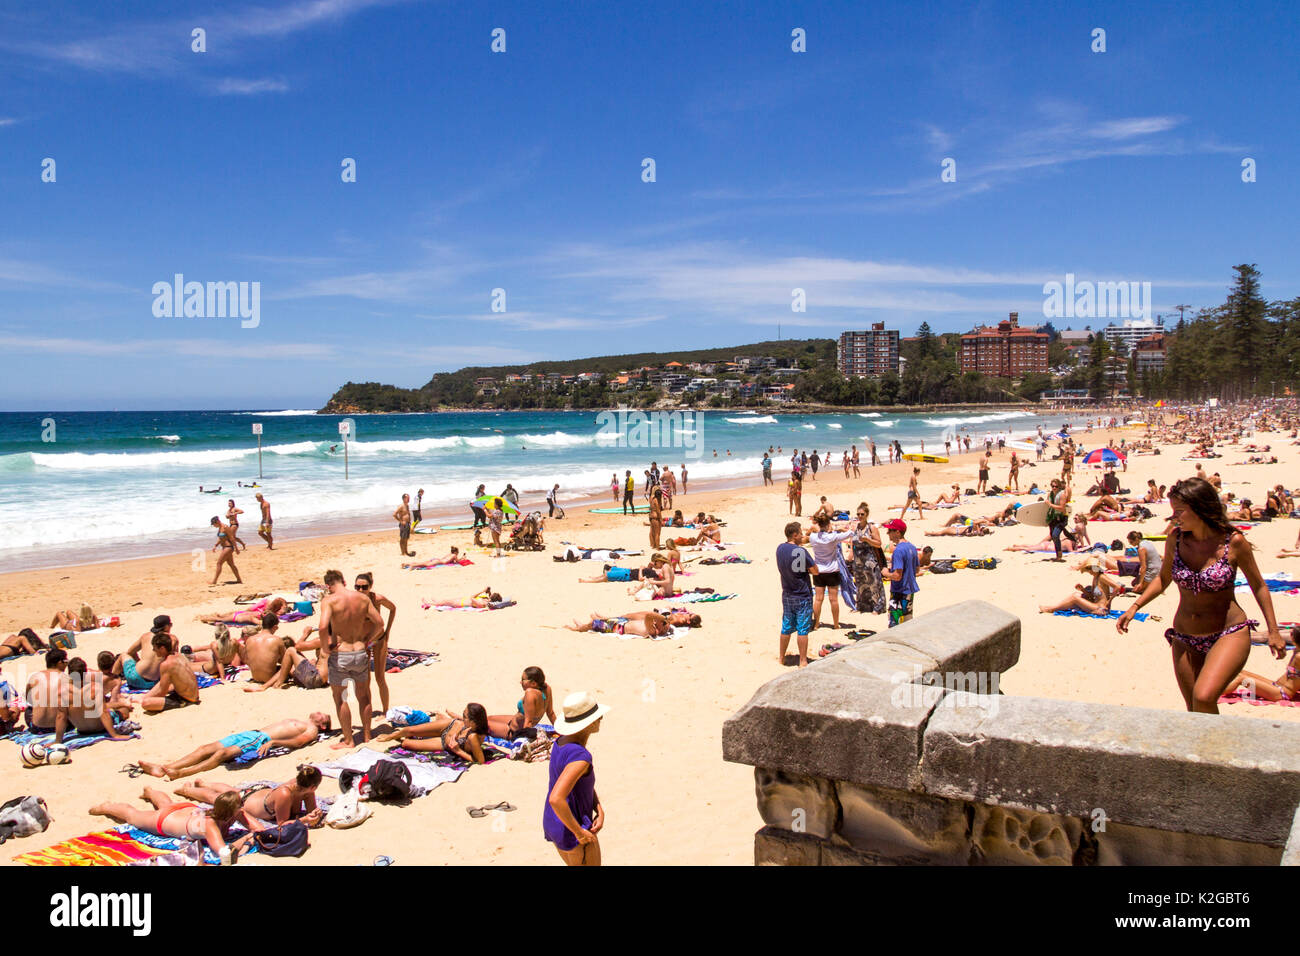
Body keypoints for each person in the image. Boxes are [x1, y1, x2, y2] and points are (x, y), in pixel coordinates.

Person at [1117, 477, 1286, 714]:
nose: (1174, 517)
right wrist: (1134, 607)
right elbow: (1164, 579)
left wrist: (1274, 631)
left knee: (1203, 696)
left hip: (1228, 633)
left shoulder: (1234, 542)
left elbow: (1259, 585)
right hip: (1184, 637)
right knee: (1195, 711)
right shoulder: (1176, 539)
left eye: (1179, 511)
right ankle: (1218, 751)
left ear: (1200, 508)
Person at [135, 713, 331, 780]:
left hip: (260, 740)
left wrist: (274, 742)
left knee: (222, 754)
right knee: (205, 748)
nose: (321, 713)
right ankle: (166, 767)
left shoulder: (312, 729)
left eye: (325, 717)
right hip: (251, 733)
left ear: (322, 725)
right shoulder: (303, 720)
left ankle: (183, 773)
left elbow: (298, 742)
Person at [91, 788, 260, 861]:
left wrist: (252, 832)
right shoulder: (210, 825)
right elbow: (224, 854)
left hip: (187, 813)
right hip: (165, 820)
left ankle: (150, 792)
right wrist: (247, 838)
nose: (243, 806)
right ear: (232, 809)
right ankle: (105, 807)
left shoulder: (234, 813)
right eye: (241, 805)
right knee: (133, 816)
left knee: (167, 804)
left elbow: (259, 829)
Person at [319, 568, 384, 749]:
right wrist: (368, 639)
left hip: (342, 654)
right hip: (360, 651)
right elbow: (379, 622)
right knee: (363, 695)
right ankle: (366, 735)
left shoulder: (329, 600)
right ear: (345, 582)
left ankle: (348, 740)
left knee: (340, 697)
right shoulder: (362, 598)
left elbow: (323, 627)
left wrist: (325, 648)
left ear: (328, 586)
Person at [543, 691, 608, 866]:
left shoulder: (560, 742)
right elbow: (556, 798)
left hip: (555, 824)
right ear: (588, 723)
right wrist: (579, 832)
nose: (601, 718)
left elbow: (578, 784)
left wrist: (599, 808)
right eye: (597, 716)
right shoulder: (581, 757)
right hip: (572, 829)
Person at [176, 765, 325, 828]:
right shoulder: (285, 794)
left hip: (259, 793)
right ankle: (186, 791)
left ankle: (204, 783)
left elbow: (312, 811)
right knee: (218, 798)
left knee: (234, 790)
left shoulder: (306, 789)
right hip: (249, 802)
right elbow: (281, 824)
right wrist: (305, 819)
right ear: (313, 786)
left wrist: (314, 814)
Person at [376, 704, 489, 763]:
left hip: (444, 743)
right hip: (449, 725)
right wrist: (457, 717)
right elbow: (462, 721)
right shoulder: (471, 724)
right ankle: (390, 737)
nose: (463, 717)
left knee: (406, 744)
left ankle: (439, 717)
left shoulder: (473, 737)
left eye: (465, 716)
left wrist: (457, 750)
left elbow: (480, 761)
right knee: (410, 730)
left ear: (473, 722)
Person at [806, 513, 860, 630]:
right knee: (833, 599)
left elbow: (807, 534)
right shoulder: (833, 537)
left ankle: (816, 624)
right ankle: (835, 624)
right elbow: (851, 533)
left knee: (818, 599)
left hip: (818, 570)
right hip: (832, 570)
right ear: (828, 524)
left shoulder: (813, 537)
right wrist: (838, 529)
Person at [61, 658, 132, 742]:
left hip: (81, 730)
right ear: (85, 672)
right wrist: (114, 735)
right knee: (124, 710)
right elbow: (104, 712)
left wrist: (57, 740)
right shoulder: (94, 688)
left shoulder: (63, 691)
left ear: (69, 673)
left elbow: (60, 716)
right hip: (99, 728)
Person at [355, 571, 397, 714]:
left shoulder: (377, 599)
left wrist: (388, 631)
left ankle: (386, 711)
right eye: (357, 587)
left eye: (364, 587)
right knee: (365, 680)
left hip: (379, 640)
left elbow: (393, 609)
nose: (360, 590)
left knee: (380, 678)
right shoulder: (354, 601)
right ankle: (369, 710)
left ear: (370, 586)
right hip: (363, 642)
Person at [776, 520, 816, 667]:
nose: (802, 535)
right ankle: (803, 660)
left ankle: (781, 658)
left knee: (786, 626)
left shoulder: (780, 548)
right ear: (794, 534)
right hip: (801, 594)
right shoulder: (801, 551)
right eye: (800, 533)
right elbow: (815, 571)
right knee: (803, 629)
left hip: (787, 593)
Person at [1224, 628, 1300, 702]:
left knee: (1241, 679)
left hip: (1281, 694)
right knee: (1240, 672)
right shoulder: (1296, 650)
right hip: (1276, 685)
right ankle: (1216, 686)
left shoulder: (1299, 656)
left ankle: (1216, 693)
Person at [487, 667, 556, 740]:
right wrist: (560, 730)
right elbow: (550, 713)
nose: (520, 682)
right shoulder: (547, 688)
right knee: (489, 718)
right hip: (514, 721)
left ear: (533, 683)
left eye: (523, 680)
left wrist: (524, 740)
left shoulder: (530, 693)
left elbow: (528, 722)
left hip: (513, 731)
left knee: (481, 723)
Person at [140, 633, 201, 714]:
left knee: (146, 703)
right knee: (162, 682)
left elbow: (162, 692)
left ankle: (144, 698)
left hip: (185, 699)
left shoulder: (166, 664)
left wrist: (150, 698)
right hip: (195, 695)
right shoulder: (179, 656)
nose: (153, 650)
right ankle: (144, 696)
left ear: (162, 648)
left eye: (154, 648)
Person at [850, 502, 887, 615]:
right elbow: (853, 542)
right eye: (858, 514)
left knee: (874, 583)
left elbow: (878, 543)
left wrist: (868, 540)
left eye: (862, 514)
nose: (860, 516)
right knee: (860, 584)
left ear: (866, 515)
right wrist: (851, 554)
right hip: (858, 561)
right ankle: (862, 606)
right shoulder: (856, 527)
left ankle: (878, 607)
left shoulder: (872, 528)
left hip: (870, 561)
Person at [881, 518, 919, 628]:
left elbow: (897, 576)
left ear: (897, 532)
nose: (887, 533)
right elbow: (916, 569)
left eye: (890, 531)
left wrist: (886, 573)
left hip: (899, 591)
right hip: (909, 591)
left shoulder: (898, 551)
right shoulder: (912, 547)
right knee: (907, 622)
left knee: (894, 623)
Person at [24, 648, 69, 735]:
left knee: (30, 708)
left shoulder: (34, 677)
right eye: (66, 661)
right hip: (60, 727)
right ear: (60, 663)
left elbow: (28, 699)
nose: (67, 664)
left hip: (36, 728)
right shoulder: (67, 679)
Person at [1047, 477, 1076, 562]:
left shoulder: (1062, 495)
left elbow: (1062, 508)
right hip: (1053, 518)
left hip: (1062, 518)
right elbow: (1046, 507)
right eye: (1052, 486)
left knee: (1056, 535)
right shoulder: (1050, 494)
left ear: (1059, 486)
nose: (1054, 488)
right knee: (1053, 536)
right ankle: (1058, 555)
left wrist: (1050, 505)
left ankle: (1059, 556)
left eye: (1056, 486)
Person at [209, 516, 242, 586]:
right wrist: (216, 545)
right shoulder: (220, 528)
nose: (214, 526)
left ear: (217, 521)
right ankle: (239, 579)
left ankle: (214, 581)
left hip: (228, 547)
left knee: (219, 563)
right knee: (231, 564)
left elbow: (232, 538)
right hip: (225, 547)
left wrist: (236, 548)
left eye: (214, 524)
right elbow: (220, 538)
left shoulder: (225, 527)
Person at [394, 494, 414, 558]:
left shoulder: (407, 506)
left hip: (407, 524)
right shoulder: (401, 506)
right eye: (408, 498)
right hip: (403, 525)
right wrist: (401, 521)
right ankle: (402, 552)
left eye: (409, 498)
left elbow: (407, 514)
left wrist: (410, 523)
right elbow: (394, 514)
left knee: (406, 539)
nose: (409, 499)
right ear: (404, 498)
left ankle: (406, 551)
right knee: (402, 538)